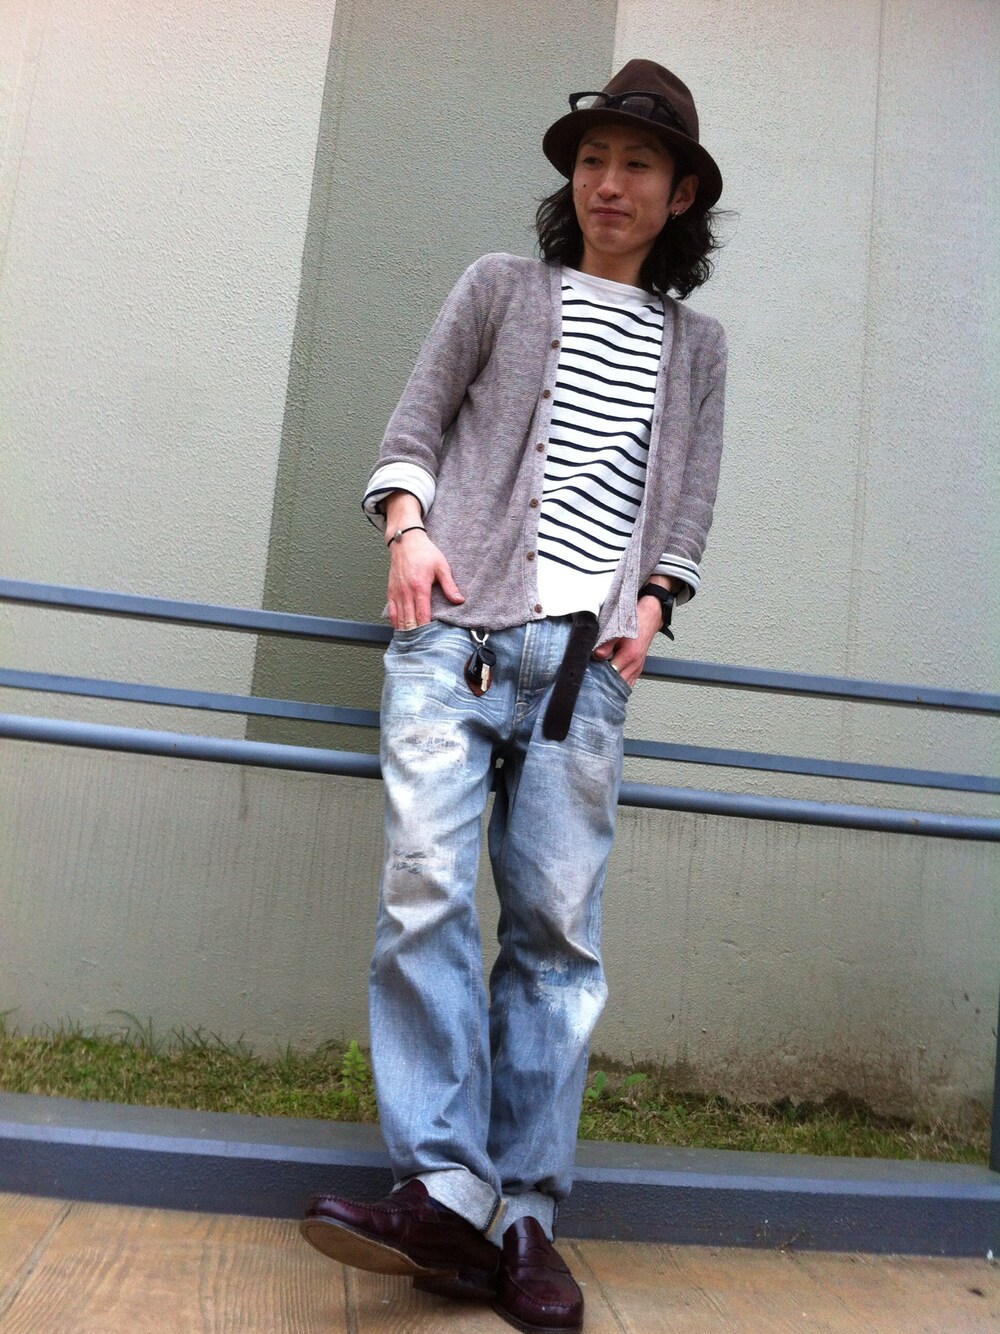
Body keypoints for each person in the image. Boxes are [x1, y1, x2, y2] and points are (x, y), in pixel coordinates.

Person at [301, 58, 727, 1334]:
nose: (609, 182)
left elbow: (687, 503)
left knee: (554, 938)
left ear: (680, 193)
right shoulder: (499, 286)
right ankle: (445, 1185)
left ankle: (523, 1214)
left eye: (637, 164)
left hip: (585, 669)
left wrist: (652, 606)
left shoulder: (698, 348)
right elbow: (412, 428)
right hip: (454, 637)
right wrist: (407, 531)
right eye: (592, 159)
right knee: (423, 890)